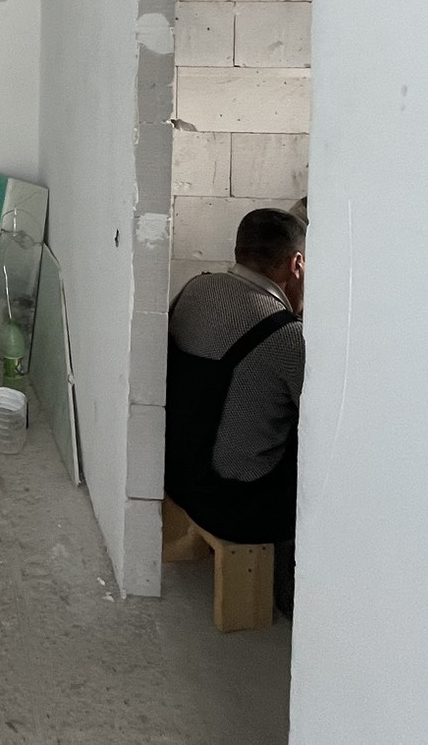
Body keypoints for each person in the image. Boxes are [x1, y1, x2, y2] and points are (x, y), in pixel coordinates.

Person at [164, 207, 305, 605]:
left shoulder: (193, 289)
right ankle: (296, 590)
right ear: (296, 264)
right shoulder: (287, 337)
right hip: (236, 508)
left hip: (176, 478)